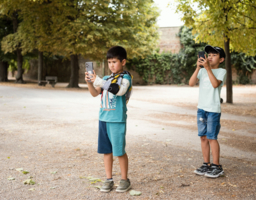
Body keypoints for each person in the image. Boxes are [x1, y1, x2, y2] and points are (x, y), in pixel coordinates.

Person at [85, 46, 132, 192]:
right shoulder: (105, 79)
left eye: (114, 62)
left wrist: (98, 80)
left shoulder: (126, 78)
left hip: (117, 120)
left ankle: (124, 180)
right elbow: (94, 93)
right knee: (107, 151)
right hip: (103, 119)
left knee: (119, 151)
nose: (111, 65)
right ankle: (109, 179)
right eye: (109, 62)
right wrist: (89, 82)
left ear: (123, 62)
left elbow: (119, 91)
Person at [189, 45, 227, 178]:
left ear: (221, 59)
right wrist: (198, 67)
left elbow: (215, 84)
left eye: (214, 55)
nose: (210, 57)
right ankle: (206, 164)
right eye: (209, 55)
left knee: (212, 137)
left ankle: (217, 166)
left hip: (213, 110)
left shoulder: (222, 71)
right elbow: (191, 83)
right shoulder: (202, 70)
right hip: (202, 109)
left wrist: (207, 68)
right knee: (203, 137)